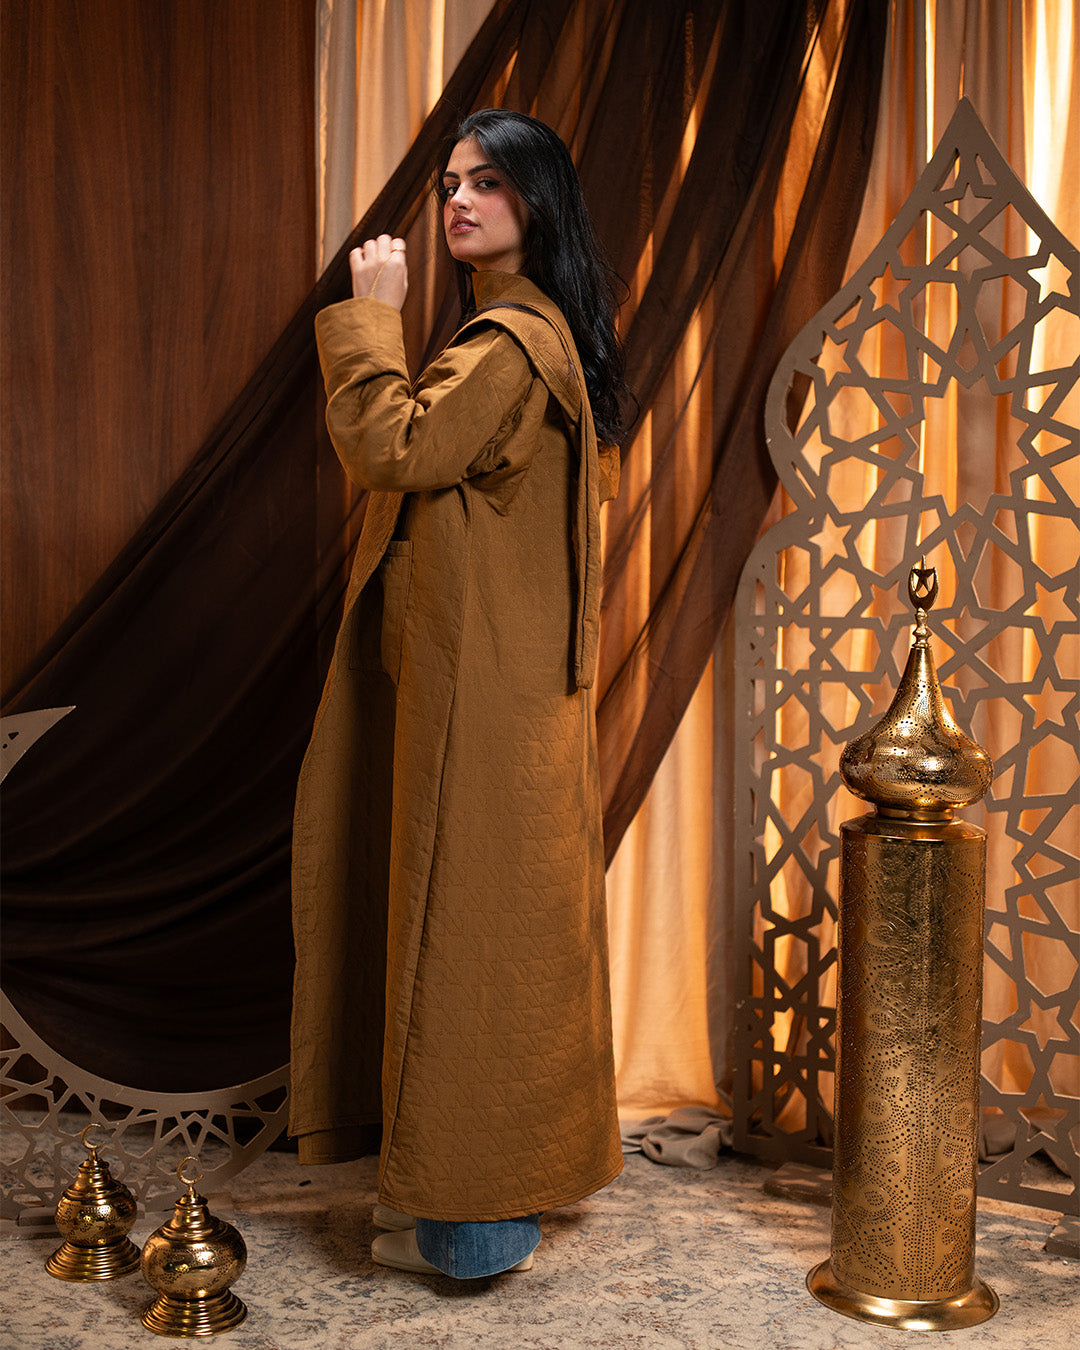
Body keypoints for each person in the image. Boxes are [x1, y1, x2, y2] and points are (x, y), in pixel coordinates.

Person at [289, 108, 632, 1280]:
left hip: (487, 704)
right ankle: (481, 1196)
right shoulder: (541, 335)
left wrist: (371, 321)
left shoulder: (505, 347)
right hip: (508, 696)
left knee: (467, 930)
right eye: (449, 184)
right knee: (499, 925)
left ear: (538, 200)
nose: (458, 202)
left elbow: (395, 450)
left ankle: (472, 1218)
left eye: (487, 181)